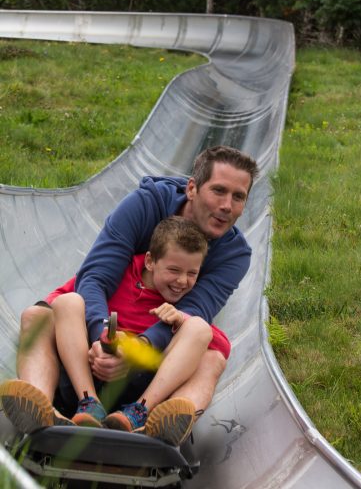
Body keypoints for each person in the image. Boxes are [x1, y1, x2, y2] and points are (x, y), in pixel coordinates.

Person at [0, 145, 258, 445]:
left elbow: (194, 309)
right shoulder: (145, 205)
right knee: (38, 315)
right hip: (102, 324)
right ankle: (39, 408)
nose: (227, 205)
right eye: (219, 191)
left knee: (212, 354)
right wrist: (103, 339)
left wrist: (138, 348)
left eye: (238, 197)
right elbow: (95, 276)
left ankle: (162, 425)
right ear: (192, 188)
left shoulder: (234, 254)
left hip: (153, 351)